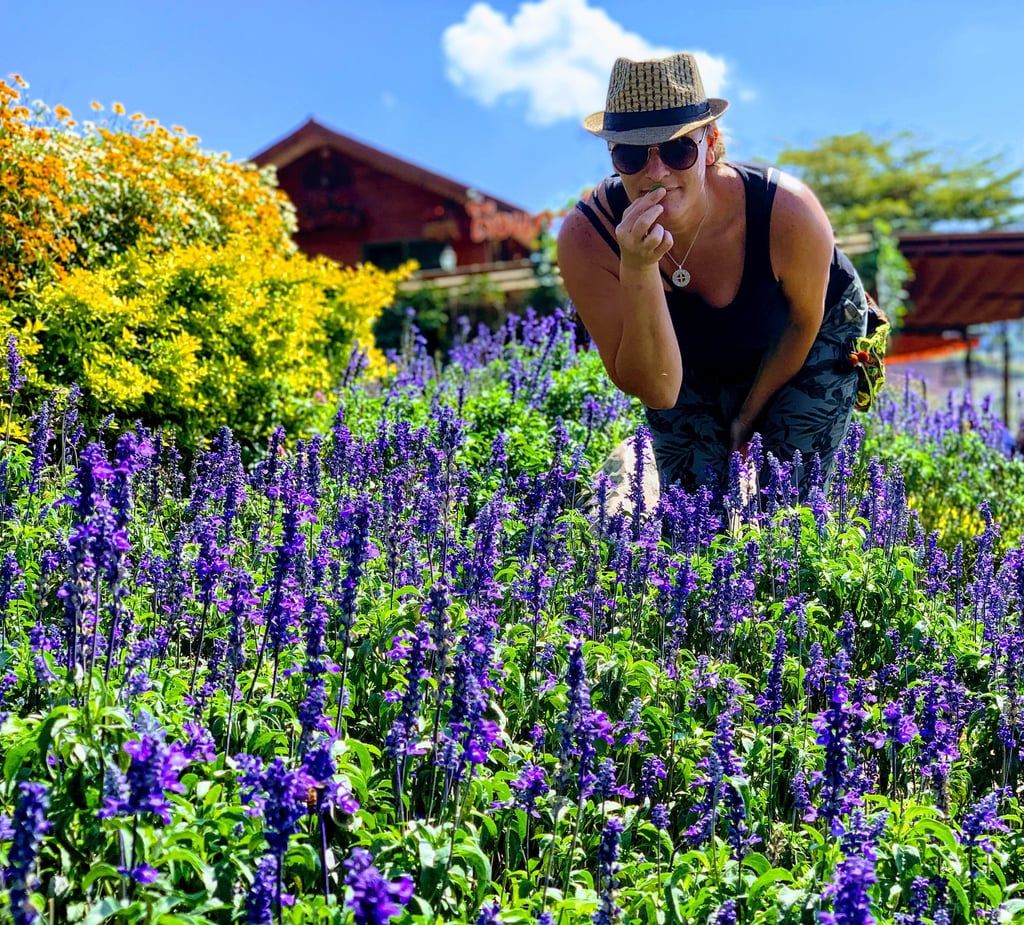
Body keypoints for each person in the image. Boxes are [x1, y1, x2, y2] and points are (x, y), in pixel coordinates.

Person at [557, 52, 869, 499]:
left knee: (789, 502)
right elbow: (657, 391)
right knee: (694, 519)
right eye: (631, 154)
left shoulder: (786, 210)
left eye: (678, 148)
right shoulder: (588, 238)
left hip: (813, 329)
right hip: (687, 355)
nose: (656, 172)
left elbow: (804, 321)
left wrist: (747, 418)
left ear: (710, 142)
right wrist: (640, 268)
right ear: (612, 156)